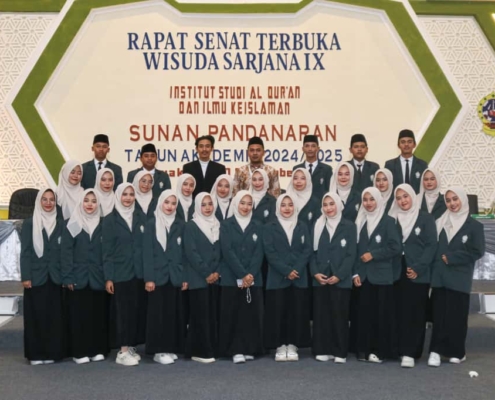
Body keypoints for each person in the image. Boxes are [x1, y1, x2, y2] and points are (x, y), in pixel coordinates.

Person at [428, 187, 485, 367]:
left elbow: (477, 251)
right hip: (440, 277)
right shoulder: (440, 222)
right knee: (439, 316)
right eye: (448, 200)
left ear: (462, 200)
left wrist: (453, 258)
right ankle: (435, 351)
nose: (452, 203)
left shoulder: (475, 226)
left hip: (460, 277)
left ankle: (457, 352)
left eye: (455, 199)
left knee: (457, 316)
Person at [388, 184, 437, 368]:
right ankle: (398, 349)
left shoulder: (425, 218)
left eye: (405, 196)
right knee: (398, 310)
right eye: (399, 198)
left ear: (412, 197)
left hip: (417, 269)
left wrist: (418, 267)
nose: (402, 201)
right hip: (396, 270)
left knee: (415, 312)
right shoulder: (392, 218)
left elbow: (431, 245)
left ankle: (410, 351)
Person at [352, 187, 402, 363]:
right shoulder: (360, 221)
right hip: (364, 276)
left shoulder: (388, 221)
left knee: (381, 315)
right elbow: (355, 250)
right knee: (364, 315)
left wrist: (374, 254)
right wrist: (355, 273)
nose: (368, 203)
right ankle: (364, 350)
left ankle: (379, 351)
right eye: (365, 200)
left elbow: (396, 247)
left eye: (372, 199)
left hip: (382, 277)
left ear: (379, 201)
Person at [61, 189, 109, 364]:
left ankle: (96, 349)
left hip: (98, 278)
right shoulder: (73, 223)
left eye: (94, 201)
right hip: (78, 278)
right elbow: (66, 252)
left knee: (97, 316)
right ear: (81, 202)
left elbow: (108, 252)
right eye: (86, 200)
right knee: (79, 317)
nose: (90, 204)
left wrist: (108, 276)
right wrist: (67, 277)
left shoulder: (104, 224)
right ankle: (79, 352)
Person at [263, 194, 312, 362]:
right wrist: (286, 270)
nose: (287, 208)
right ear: (278, 207)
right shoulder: (269, 227)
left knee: (295, 311)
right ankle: (279, 345)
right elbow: (270, 252)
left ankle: (292, 344)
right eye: (283, 205)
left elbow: (307, 249)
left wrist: (295, 269)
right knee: (278, 312)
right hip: (277, 277)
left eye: (290, 205)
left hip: (298, 277)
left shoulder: (302, 225)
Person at [102, 183, 147, 366]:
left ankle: (131, 346)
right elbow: (107, 251)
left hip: (138, 273)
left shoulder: (141, 216)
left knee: (135, 311)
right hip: (120, 273)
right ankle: (123, 351)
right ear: (118, 196)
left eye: (131, 194)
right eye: (124, 194)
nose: (128, 198)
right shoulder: (109, 220)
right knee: (122, 313)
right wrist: (109, 277)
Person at [218, 191, 264, 363]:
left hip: (253, 278)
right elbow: (227, 251)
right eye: (242, 203)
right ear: (236, 203)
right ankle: (235, 349)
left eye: (249, 204)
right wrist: (243, 274)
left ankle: (250, 348)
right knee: (233, 314)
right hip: (231, 278)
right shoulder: (226, 225)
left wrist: (250, 274)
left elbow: (260, 252)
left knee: (250, 315)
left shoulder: (258, 225)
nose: (245, 207)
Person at [311, 192, 357, 364]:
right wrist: (315, 273)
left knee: (339, 315)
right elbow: (311, 252)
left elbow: (351, 254)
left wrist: (339, 275)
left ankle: (339, 351)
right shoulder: (317, 225)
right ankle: (322, 349)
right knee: (321, 315)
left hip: (341, 279)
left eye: (332, 204)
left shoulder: (349, 226)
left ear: (338, 205)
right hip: (321, 278)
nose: (328, 208)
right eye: (325, 205)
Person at [21, 188, 65, 365]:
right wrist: (26, 276)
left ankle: (52, 352)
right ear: (38, 202)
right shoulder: (29, 223)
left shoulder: (61, 224)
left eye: (51, 199)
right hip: (36, 277)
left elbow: (63, 253)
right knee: (36, 317)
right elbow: (25, 252)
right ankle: (36, 354)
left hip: (55, 277)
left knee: (54, 317)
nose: (48, 203)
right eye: (44, 199)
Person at [143, 190, 187, 365]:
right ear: (160, 203)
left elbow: (184, 254)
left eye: (173, 203)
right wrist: (149, 278)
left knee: (172, 314)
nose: (170, 206)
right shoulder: (151, 224)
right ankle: (158, 350)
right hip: (157, 277)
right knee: (157, 315)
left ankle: (169, 347)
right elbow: (147, 253)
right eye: (167, 202)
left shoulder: (180, 224)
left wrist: (184, 277)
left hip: (174, 276)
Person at [183, 193, 221, 363]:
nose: (207, 208)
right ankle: (199, 351)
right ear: (197, 206)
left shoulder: (217, 224)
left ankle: (212, 348)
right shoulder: (191, 226)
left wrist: (216, 272)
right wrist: (207, 273)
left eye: (210, 204)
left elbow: (221, 251)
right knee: (200, 316)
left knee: (212, 315)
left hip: (215, 279)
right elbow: (191, 253)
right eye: (203, 205)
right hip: (198, 278)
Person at [384, 129, 428, 194]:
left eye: (409, 142)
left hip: (417, 200)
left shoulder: (422, 165)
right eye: (403, 142)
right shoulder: (390, 165)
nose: (406, 144)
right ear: (398, 145)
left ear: (414, 144)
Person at [292, 135, 332, 201]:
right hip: (302, 205)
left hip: (320, 206)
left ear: (318, 148)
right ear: (303, 149)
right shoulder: (297, 169)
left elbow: (329, 192)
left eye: (313, 146)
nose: (310, 149)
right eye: (307, 146)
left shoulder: (326, 169)